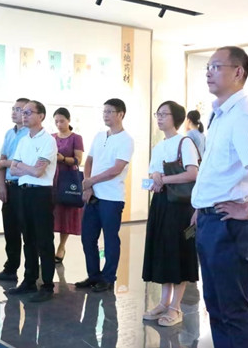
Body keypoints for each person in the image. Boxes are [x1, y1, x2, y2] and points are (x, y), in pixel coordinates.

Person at [192, 46, 248, 348]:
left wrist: (247, 209)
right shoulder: (220, 114)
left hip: (228, 225)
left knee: (232, 307)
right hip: (211, 219)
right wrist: (201, 206)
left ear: (238, 72)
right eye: (208, 66)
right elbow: (219, 169)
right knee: (216, 304)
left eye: (216, 66)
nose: (209, 72)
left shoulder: (243, 115)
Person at [142, 101, 200, 327]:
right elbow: (152, 175)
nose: (159, 118)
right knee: (163, 251)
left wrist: (163, 179)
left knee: (179, 252)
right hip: (161, 203)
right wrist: (154, 179)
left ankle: (176, 307)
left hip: (180, 206)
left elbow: (192, 174)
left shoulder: (185, 143)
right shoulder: (159, 146)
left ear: (175, 118)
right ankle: (163, 302)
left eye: (164, 114)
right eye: (157, 114)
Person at [76, 98, 134, 292]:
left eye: (110, 112)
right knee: (88, 238)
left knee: (110, 239)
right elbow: (89, 161)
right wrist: (88, 185)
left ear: (120, 114)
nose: (105, 115)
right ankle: (93, 275)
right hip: (93, 196)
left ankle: (108, 278)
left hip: (112, 198)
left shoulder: (126, 140)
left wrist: (91, 181)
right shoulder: (100, 136)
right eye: (104, 111)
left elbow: (116, 169)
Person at [7, 100, 58, 302]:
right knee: (27, 238)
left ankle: (47, 285)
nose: (24, 115)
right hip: (23, 192)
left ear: (41, 116)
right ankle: (29, 280)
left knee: (44, 240)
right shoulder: (23, 140)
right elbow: (13, 169)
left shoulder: (48, 141)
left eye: (29, 112)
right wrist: (27, 168)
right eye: (23, 112)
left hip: (41, 194)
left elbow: (38, 172)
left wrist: (24, 167)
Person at [0, 98, 29, 281]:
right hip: (9, 185)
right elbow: (1, 161)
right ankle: (10, 268)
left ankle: (31, 273)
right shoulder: (9, 133)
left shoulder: (30, 134)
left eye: (19, 109)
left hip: (25, 187)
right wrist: (1, 185)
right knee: (10, 229)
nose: (14, 112)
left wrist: (6, 163)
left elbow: (23, 163)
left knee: (27, 231)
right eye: (13, 109)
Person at [51, 107, 84, 264]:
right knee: (51, 213)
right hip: (52, 178)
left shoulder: (76, 138)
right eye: (56, 121)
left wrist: (63, 159)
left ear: (69, 120)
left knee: (66, 213)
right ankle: (48, 246)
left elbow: (78, 160)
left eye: (62, 121)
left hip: (67, 177)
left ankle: (61, 246)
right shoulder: (51, 137)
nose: (59, 124)